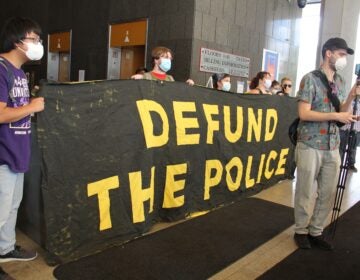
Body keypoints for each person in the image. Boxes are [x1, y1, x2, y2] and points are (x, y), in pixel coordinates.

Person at [294, 37, 359, 251]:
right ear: (328, 53)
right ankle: (301, 230)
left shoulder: (339, 81)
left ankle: (316, 230)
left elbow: (340, 108)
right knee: (304, 190)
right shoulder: (310, 79)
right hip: (310, 143)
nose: (344, 59)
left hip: (332, 145)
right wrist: (336, 116)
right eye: (341, 54)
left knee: (328, 191)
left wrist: (350, 96)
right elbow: (303, 113)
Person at [0, 16, 45, 272]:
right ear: (17, 41)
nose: (38, 43)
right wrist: (31, 107)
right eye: (34, 39)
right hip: (3, 154)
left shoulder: (18, 72)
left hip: (17, 153)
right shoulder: (1, 69)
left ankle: (5, 249)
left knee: (10, 206)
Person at [339, 97, 360, 172]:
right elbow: (343, 112)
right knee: (341, 147)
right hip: (345, 128)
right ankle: (339, 164)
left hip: (356, 129)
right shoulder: (348, 101)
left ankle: (351, 164)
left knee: (353, 148)